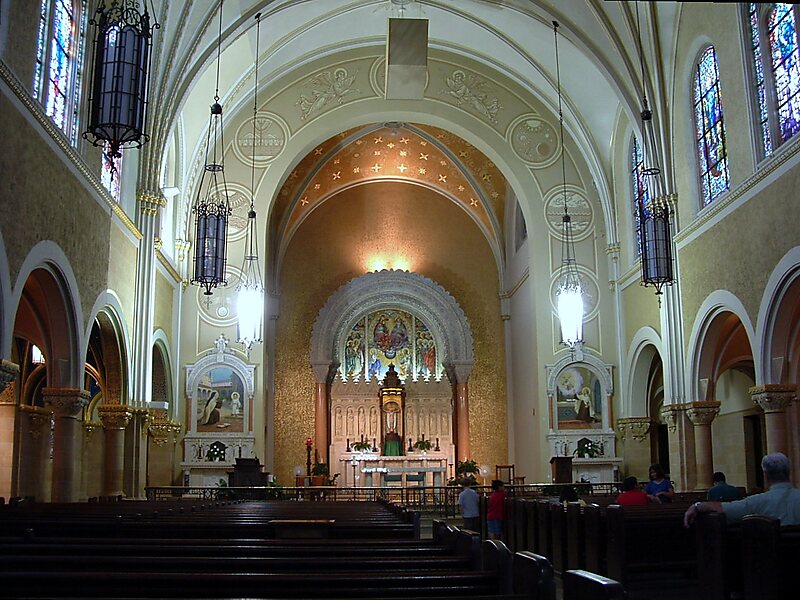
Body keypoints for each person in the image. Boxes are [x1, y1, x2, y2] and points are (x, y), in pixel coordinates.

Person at [685, 453, 800, 528]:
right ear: (789, 471)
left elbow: (724, 509)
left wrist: (697, 506)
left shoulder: (756, 502)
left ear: (765, 475)